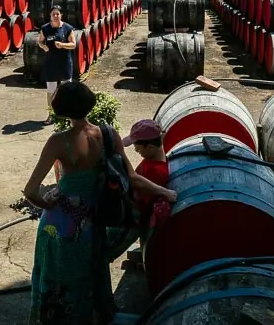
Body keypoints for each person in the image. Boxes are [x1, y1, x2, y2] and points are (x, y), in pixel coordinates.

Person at [23, 82, 176, 324]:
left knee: (59, 282)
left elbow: (30, 191)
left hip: (60, 225)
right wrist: (166, 193)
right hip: (93, 222)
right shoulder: (107, 133)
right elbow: (132, 177)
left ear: (60, 109)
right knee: (89, 276)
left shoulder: (58, 142)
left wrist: (48, 203)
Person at [106, 120, 171, 262]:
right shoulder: (155, 160)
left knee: (105, 252)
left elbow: (134, 180)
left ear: (150, 147)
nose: (135, 150)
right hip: (128, 217)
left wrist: (120, 153)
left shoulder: (156, 171)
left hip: (131, 223)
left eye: (137, 147)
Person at [37, 6, 76, 124]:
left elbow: (73, 44)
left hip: (64, 63)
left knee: (67, 90)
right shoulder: (45, 28)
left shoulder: (67, 28)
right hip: (51, 63)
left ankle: (68, 115)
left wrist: (63, 45)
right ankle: (52, 115)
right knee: (51, 91)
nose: (55, 16)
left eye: (57, 14)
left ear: (61, 15)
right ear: (50, 16)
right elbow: (40, 41)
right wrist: (44, 47)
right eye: (53, 14)